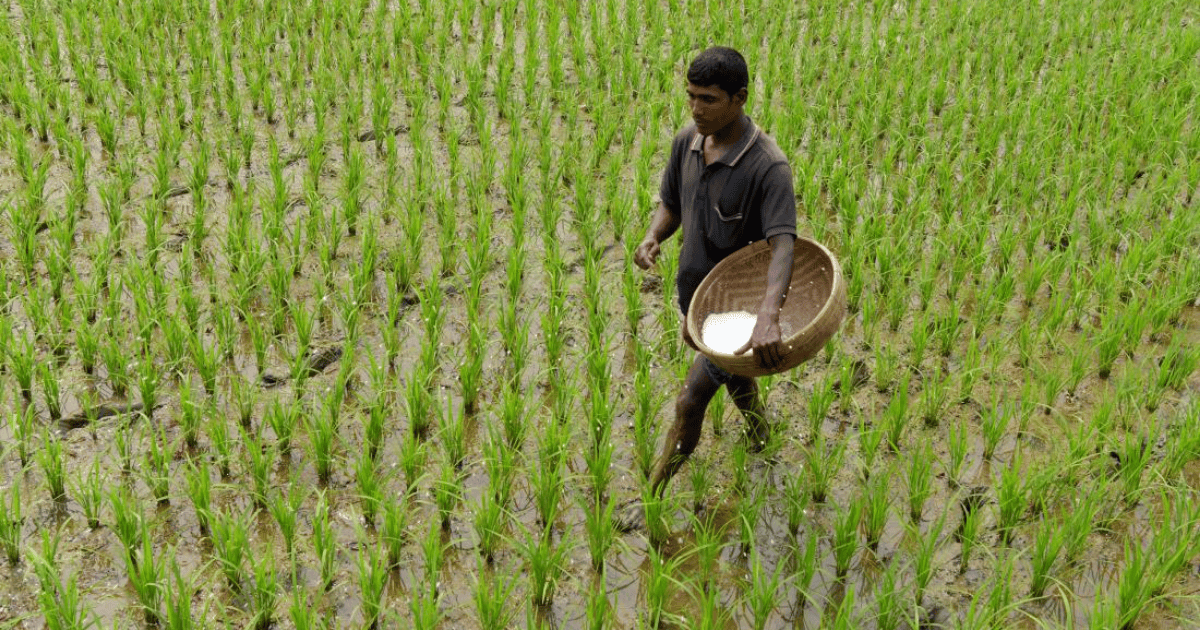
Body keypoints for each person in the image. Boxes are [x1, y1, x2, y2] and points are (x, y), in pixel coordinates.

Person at [629, 46, 798, 517]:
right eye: (691, 97)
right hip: (696, 300)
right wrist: (653, 235)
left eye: (708, 99)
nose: (696, 109)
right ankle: (763, 441)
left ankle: (652, 499)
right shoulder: (688, 141)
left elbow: (784, 244)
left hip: (740, 311)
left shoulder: (768, 167)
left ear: (739, 98)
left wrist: (768, 318)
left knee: (690, 400)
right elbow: (673, 203)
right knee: (735, 381)